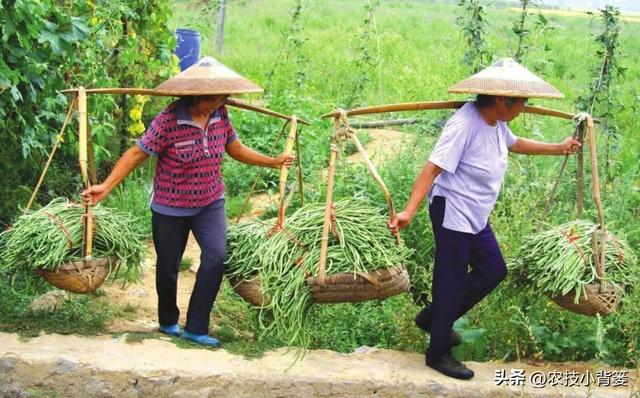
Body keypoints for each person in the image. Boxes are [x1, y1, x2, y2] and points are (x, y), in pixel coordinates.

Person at [388, 59, 582, 379]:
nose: (523, 108)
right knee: (450, 281)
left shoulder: (496, 122)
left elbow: (515, 143)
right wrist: (408, 211)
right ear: (503, 101)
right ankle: (438, 352)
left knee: (493, 270)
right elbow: (431, 169)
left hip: (476, 213)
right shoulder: (464, 125)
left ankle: (434, 319)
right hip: (452, 210)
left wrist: (558, 148)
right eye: (521, 102)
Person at [82, 57, 294, 347]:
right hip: (170, 206)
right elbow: (136, 154)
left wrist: (272, 162)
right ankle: (168, 320)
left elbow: (236, 149)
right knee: (168, 267)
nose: (217, 102)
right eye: (211, 97)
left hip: (210, 201)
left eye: (222, 97)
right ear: (193, 95)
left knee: (216, 257)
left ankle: (196, 326)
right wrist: (106, 186)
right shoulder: (169, 119)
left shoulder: (221, 115)